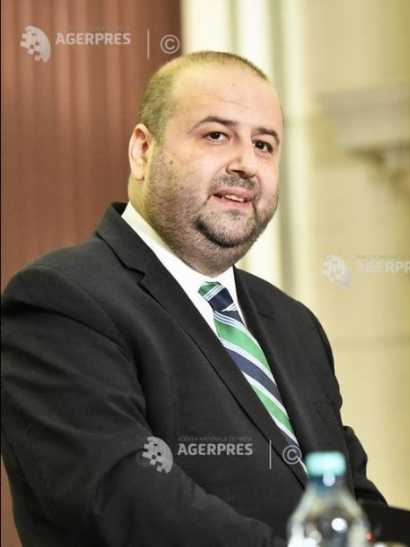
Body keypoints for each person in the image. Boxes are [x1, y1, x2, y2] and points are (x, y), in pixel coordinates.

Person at [1, 51, 384, 547]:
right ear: (143, 150)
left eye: (264, 145)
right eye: (216, 135)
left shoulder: (295, 324)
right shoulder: (60, 300)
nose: (246, 164)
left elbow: (348, 493)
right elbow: (123, 499)